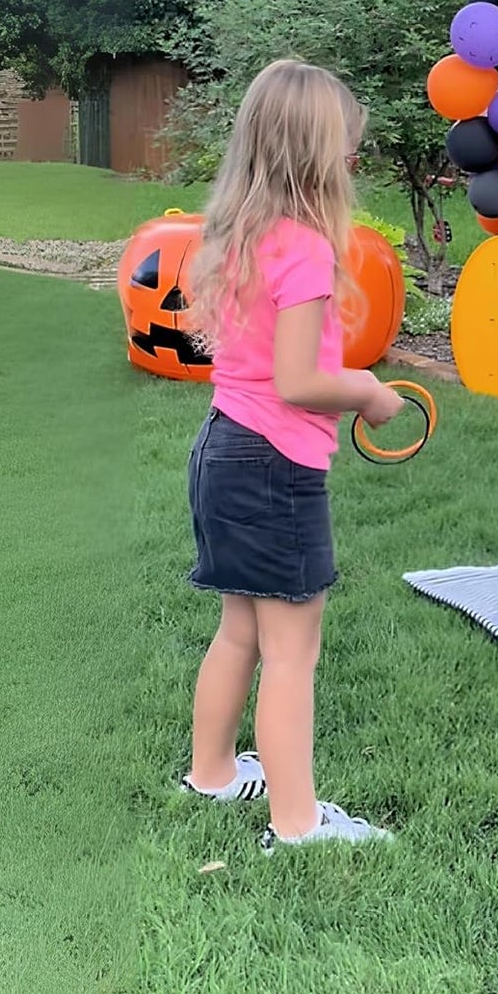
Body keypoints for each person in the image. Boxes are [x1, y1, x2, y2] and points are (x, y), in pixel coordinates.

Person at [178, 59, 405, 851]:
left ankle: (212, 771)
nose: (352, 157)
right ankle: (297, 823)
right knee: (290, 651)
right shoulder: (304, 247)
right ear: (313, 152)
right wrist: (369, 392)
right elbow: (301, 379)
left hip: (222, 451)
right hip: (273, 467)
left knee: (239, 629)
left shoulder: (240, 234)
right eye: (345, 144)